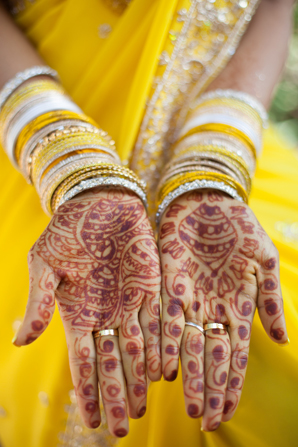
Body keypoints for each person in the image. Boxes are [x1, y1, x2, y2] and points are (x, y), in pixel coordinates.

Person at [0, 0, 297, 446]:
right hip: (31, 145)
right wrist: (72, 167)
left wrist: (213, 169)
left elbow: (274, 6)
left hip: (219, 132)